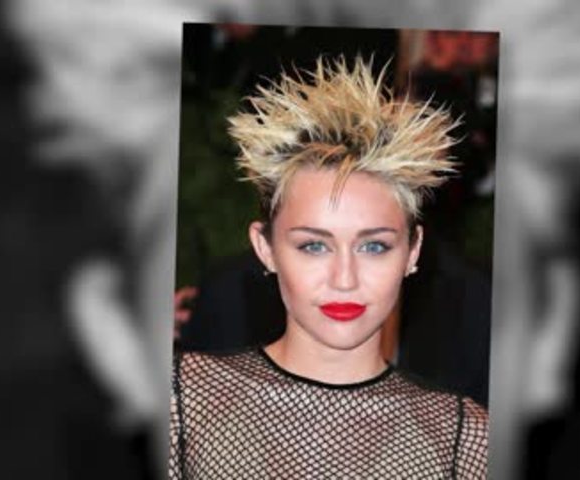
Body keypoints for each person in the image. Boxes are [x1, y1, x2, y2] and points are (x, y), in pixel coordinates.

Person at [169, 56, 488, 479]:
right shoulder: (183, 403)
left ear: (412, 253)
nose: (344, 279)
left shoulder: (465, 439)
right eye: (314, 246)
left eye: (374, 246)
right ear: (265, 248)